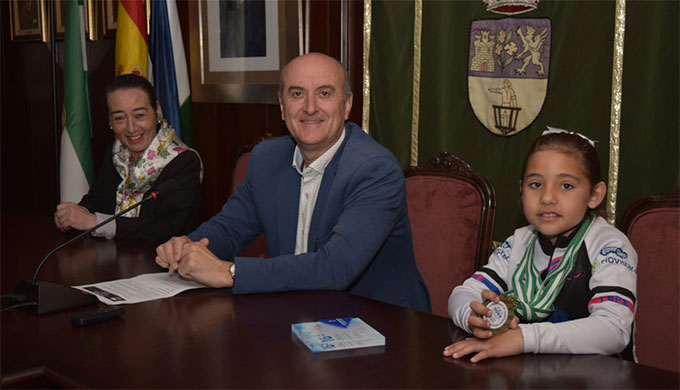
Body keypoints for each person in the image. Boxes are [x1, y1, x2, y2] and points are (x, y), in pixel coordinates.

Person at [155, 53, 430, 312]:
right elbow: (229, 229)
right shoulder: (266, 158)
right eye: (297, 94)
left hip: (379, 324)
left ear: (347, 105)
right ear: (282, 106)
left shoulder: (374, 170)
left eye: (324, 93)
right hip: (295, 313)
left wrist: (229, 272)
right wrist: (188, 247)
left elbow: (335, 268)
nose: (310, 108)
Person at [444, 128, 637, 362]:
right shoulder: (519, 243)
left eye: (566, 185)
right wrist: (472, 317)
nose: (547, 198)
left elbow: (613, 330)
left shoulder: (609, 246)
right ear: (521, 190)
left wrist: (525, 338)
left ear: (595, 195)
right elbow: (462, 293)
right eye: (535, 184)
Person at [54, 74, 203, 246]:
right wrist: (73, 214)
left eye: (139, 115)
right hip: (115, 258)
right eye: (119, 118)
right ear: (110, 121)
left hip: (167, 265)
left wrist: (94, 222)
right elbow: (96, 199)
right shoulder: (116, 152)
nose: (131, 128)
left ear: (157, 111)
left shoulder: (184, 161)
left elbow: (166, 228)